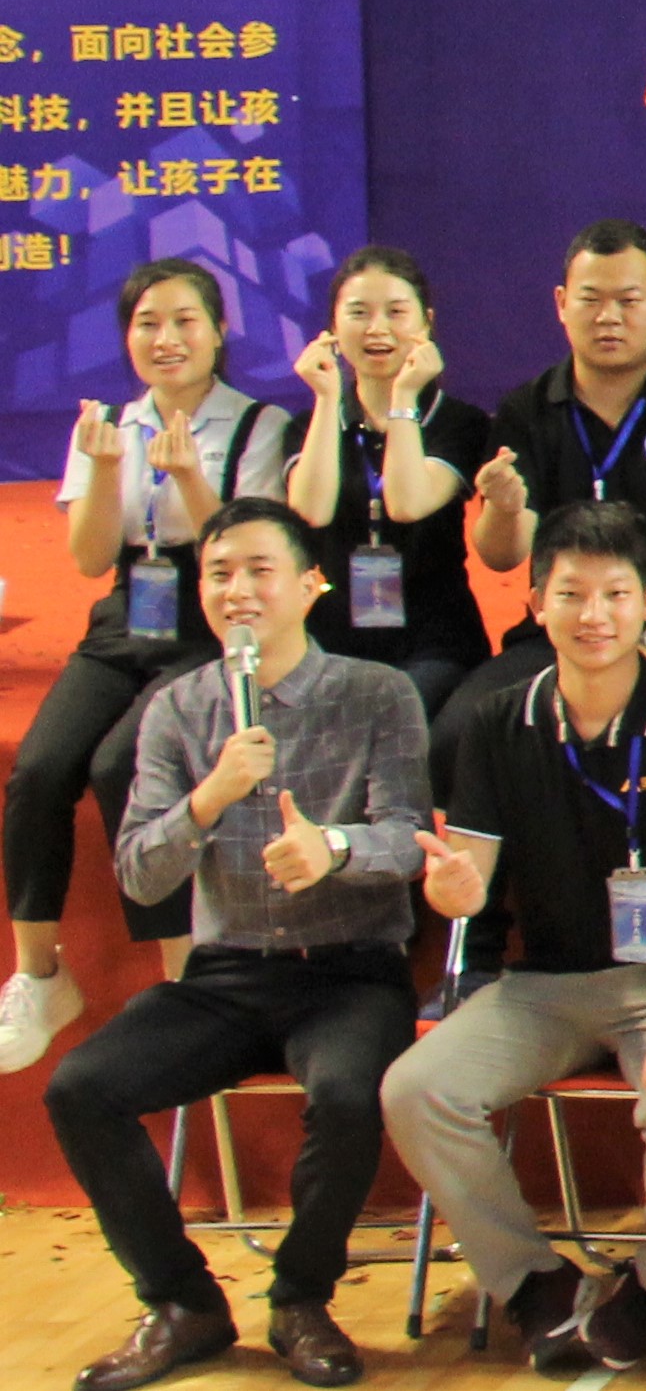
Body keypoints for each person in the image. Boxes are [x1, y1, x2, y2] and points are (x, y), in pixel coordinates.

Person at [51, 500, 428, 1391]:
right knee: (81, 1088)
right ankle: (183, 1302)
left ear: (310, 584)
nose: (238, 591)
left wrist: (333, 849)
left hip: (349, 970)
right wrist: (209, 798)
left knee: (347, 1094)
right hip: (226, 974)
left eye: (261, 570)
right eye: (219, 573)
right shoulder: (176, 709)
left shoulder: (377, 693)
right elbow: (141, 874)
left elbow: (410, 841)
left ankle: (301, 1298)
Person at [390, 500, 646, 1378]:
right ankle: (532, 1281)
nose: (595, 615)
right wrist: (451, 888)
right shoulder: (495, 721)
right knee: (416, 1090)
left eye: (616, 594)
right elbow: (469, 873)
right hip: (542, 986)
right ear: (537, 604)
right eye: (572, 594)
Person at [4, 262, 295, 1072]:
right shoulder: (109, 425)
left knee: (122, 765)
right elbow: (90, 556)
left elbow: (243, 553)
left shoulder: (259, 425)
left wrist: (191, 474)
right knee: (38, 769)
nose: (166, 340)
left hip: (212, 624)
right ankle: (38, 975)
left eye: (184, 322)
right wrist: (105, 469)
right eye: (147, 324)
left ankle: (181, 978)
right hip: (126, 615)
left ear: (219, 331)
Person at [476, 222, 646, 698]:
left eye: (628, 301)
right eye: (591, 300)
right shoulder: (526, 410)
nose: (609, 317)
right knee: (464, 724)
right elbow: (502, 557)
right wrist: (503, 509)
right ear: (561, 303)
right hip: (559, 639)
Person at [283, 247, 500, 713]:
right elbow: (312, 510)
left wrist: (403, 396)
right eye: (358, 313)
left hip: (435, 638)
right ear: (333, 327)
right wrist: (327, 399)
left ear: (426, 323)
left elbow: (405, 503)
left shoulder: (458, 422)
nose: (377, 329)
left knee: (388, 713)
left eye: (396, 312)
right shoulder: (309, 424)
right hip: (333, 637)